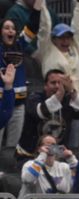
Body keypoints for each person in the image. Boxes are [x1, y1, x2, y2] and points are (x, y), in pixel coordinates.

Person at [17, 69, 79, 157]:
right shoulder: (33, 98)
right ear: (45, 86)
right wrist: (58, 95)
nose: (57, 86)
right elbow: (40, 112)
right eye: (53, 83)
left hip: (57, 157)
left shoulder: (68, 101)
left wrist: (72, 91)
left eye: (60, 83)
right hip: (29, 155)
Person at [0, 0, 40, 147]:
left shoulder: (20, 44)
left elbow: (33, 25)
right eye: (6, 28)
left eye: (12, 28)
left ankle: (9, 170)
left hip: (18, 105)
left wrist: (39, 4)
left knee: (12, 147)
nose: (10, 31)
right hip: (0, 103)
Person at [34, 0, 79, 102]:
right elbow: (45, 26)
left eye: (68, 37)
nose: (65, 41)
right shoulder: (47, 50)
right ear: (53, 39)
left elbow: (78, 27)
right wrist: (42, 5)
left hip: (77, 99)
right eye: (61, 38)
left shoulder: (74, 48)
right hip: (54, 98)